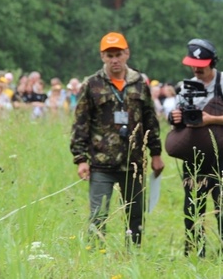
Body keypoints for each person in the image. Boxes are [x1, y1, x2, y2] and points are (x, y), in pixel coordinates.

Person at [70, 32, 165, 249]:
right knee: (98, 215)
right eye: (110, 55)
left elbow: (151, 120)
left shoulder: (139, 82)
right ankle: (95, 256)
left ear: (127, 54)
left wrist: (156, 154)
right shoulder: (92, 84)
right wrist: (80, 159)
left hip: (134, 161)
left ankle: (133, 256)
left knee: (135, 215)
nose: (115, 60)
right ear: (102, 56)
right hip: (101, 161)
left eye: (119, 54)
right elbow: (80, 122)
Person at [167, 39, 223, 257]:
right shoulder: (186, 85)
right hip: (194, 157)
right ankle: (195, 251)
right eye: (193, 64)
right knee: (192, 207)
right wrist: (174, 118)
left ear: (212, 62)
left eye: (202, 65)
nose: (197, 69)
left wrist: (211, 119)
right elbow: (184, 120)